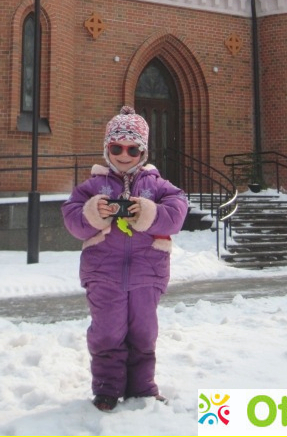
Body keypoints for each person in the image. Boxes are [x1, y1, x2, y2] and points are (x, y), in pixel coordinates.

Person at [61, 105, 188, 412]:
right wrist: (94, 212)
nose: (124, 154)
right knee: (107, 331)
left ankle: (143, 388)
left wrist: (149, 212)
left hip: (148, 271)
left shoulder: (157, 185)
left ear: (143, 152)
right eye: (116, 147)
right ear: (107, 148)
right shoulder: (93, 186)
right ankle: (106, 388)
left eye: (133, 149)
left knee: (144, 331)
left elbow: (178, 210)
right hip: (104, 272)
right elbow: (72, 218)